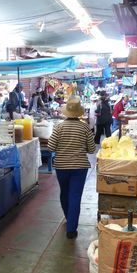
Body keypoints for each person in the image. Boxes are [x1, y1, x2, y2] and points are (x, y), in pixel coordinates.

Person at [48, 97, 96, 239]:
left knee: (64, 192)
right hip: (80, 167)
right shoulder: (85, 127)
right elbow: (92, 149)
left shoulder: (59, 127)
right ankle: (71, 229)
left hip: (61, 166)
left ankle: (69, 217)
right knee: (75, 195)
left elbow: (50, 147)